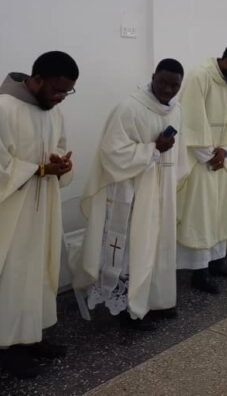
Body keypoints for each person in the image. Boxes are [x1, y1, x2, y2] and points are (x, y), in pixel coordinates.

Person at [75, 59, 185, 331]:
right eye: (164, 82)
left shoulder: (177, 110)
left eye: (175, 85)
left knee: (157, 245)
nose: (169, 89)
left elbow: (177, 151)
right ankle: (127, 308)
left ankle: (156, 300)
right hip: (131, 191)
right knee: (133, 248)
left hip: (161, 189)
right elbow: (112, 153)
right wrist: (153, 149)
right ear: (152, 77)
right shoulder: (129, 108)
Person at [0, 51, 78, 378]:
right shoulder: (4, 108)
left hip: (43, 205)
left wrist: (61, 166)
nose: (60, 98)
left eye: (67, 92)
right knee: (14, 278)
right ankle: (8, 349)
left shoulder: (52, 112)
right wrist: (39, 169)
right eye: (56, 90)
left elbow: (57, 148)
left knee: (39, 272)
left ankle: (32, 337)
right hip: (12, 212)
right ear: (36, 79)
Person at [176, 43, 227, 294]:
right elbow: (191, 120)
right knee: (201, 215)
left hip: (219, 156)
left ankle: (217, 261)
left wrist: (225, 151)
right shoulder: (200, 76)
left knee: (219, 211)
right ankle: (199, 272)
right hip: (199, 159)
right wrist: (210, 154)